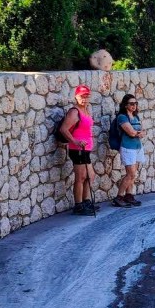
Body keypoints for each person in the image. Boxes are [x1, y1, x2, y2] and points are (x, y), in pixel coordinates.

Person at [61, 84, 98, 216]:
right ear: (76, 96)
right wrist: (75, 141)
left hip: (85, 149)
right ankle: (78, 206)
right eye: (82, 96)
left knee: (90, 176)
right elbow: (63, 129)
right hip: (77, 149)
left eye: (87, 96)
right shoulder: (74, 112)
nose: (84, 98)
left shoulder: (86, 110)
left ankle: (86, 201)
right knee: (81, 177)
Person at [112, 94, 146, 207]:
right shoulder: (122, 117)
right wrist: (138, 133)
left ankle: (129, 195)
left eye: (136, 103)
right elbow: (131, 132)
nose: (134, 105)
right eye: (132, 103)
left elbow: (143, 131)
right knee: (130, 174)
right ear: (126, 105)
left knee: (133, 174)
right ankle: (119, 197)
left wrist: (139, 133)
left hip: (137, 147)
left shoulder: (136, 117)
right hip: (127, 148)